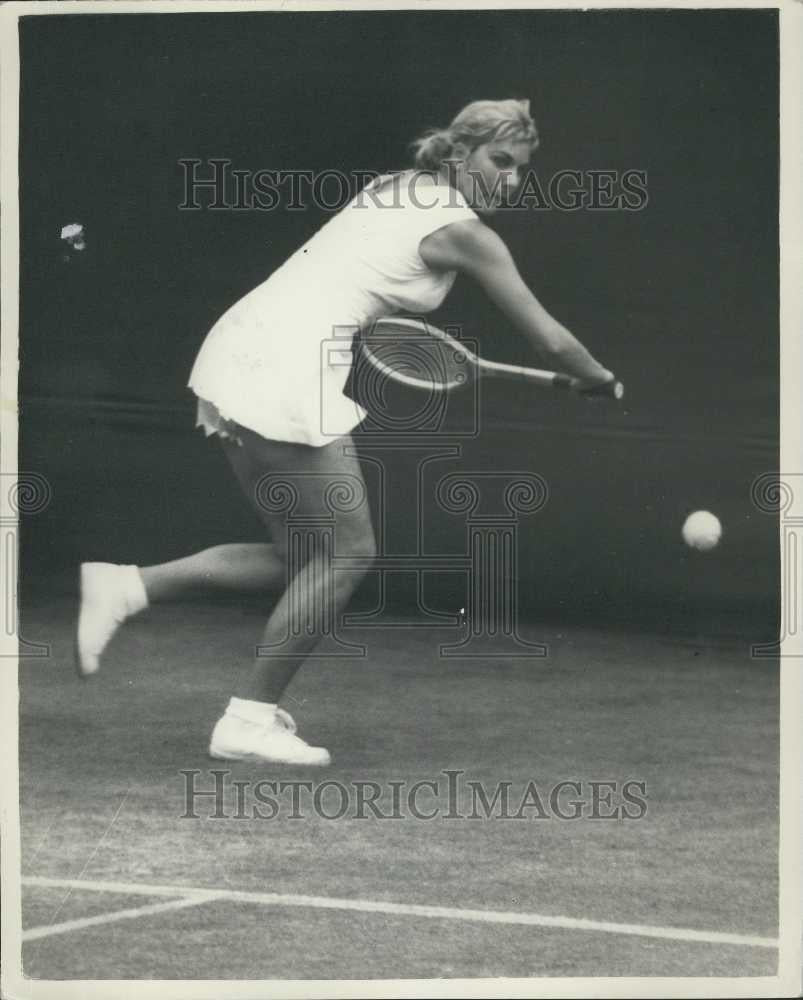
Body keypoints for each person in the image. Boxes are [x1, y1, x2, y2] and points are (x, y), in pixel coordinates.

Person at [75, 99, 617, 765]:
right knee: (346, 555)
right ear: (457, 154)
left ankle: (126, 586)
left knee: (305, 557)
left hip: (243, 342)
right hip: (282, 362)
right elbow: (552, 341)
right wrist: (595, 378)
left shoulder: (392, 187)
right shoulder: (468, 233)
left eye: (520, 170)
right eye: (498, 161)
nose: (509, 181)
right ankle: (247, 721)